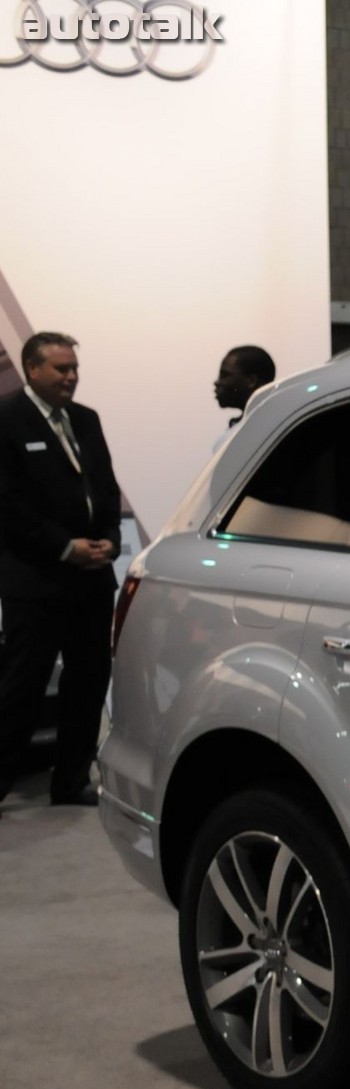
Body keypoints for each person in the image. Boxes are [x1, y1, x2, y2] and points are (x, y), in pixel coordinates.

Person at [0, 332, 120, 812]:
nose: (71, 377)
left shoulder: (85, 419)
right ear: (32, 369)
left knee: (89, 679)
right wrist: (64, 547)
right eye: (60, 369)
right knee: (23, 684)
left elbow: (105, 487)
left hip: (92, 577)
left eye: (74, 369)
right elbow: (7, 505)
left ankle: (70, 780)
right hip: (37, 579)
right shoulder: (6, 419)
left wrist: (109, 539)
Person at [213, 344, 276, 427]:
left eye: (225, 375)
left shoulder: (268, 426)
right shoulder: (241, 427)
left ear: (251, 381)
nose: (217, 382)